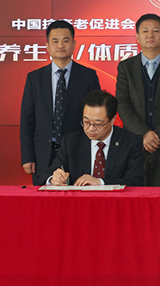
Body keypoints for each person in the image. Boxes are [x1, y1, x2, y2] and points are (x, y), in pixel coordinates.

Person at [20, 20, 100, 185]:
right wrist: (27, 156)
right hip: (43, 153)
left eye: (65, 40)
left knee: (79, 195)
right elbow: (27, 120)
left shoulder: (88, 76)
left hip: (78, 151)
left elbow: (97, 115)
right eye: (55, 41)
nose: (60, 45)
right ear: (47, 46)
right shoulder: (35, 78)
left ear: (74, 44)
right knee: (43, 198)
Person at [115, 13, 160, 187]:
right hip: (134, 145)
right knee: (134, 197)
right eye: (145, 31)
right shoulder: (126, 67)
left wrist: (158, 136)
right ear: (137, 37)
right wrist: (144, 134)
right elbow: (122, 104)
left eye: (155, 30)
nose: (150, 35)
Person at [43, 90, 144, 186]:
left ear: (113, 120)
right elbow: (48, 173)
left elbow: (135, 180)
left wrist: (100, 182)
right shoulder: (70, 142)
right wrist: (53, 179)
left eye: (98, 124)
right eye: (86, 122)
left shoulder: (131, 142)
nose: (90, 128)